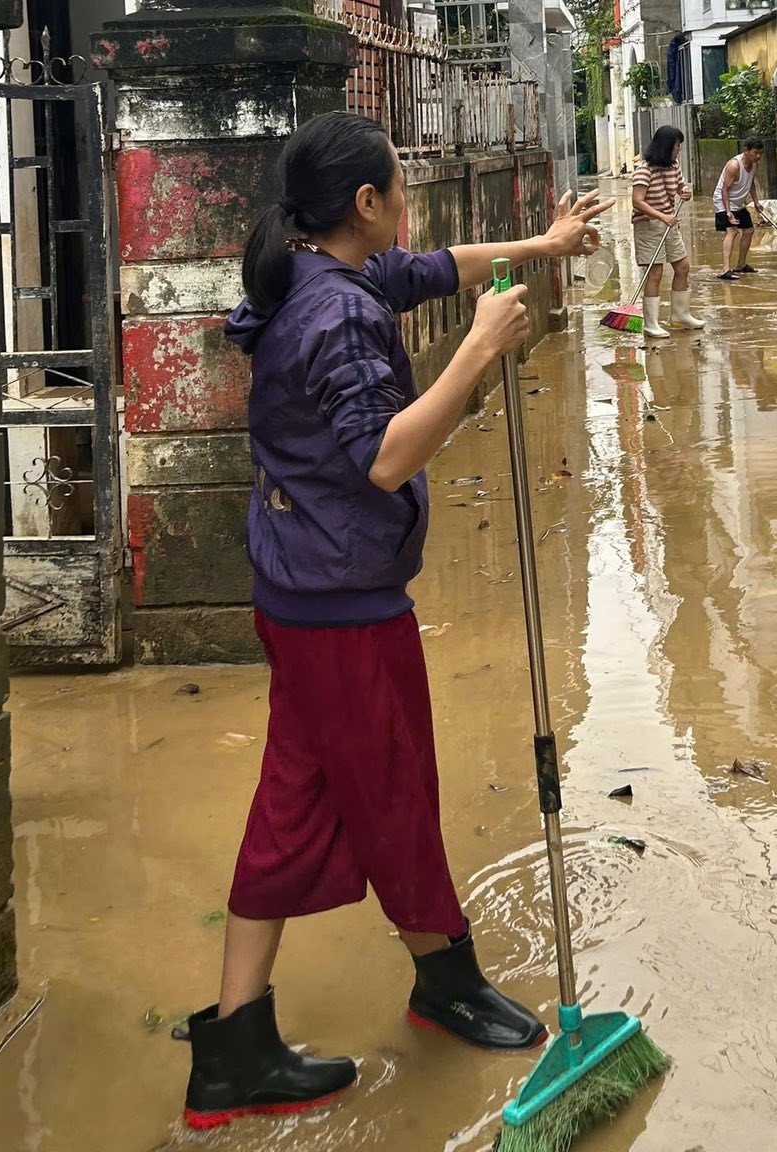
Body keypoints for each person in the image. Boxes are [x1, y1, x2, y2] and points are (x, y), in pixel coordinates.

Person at [185, 111, 611, 1131]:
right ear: (366, 202)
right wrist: (478, 351)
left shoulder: (323, 269)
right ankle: (444, 979)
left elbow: (434, 268)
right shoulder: (335, 315)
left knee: (294, 802)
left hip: (302, 590)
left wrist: (544, 246)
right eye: (399, 190)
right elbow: (385, 456)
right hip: (341, 609)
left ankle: (234, 1047)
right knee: (394, 793)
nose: (410, 208)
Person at [631, 125, 704, 339]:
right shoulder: (644, 170)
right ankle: (651, 323)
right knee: (655, 273)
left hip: (669, 223)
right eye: (676, 146)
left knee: (682, 266)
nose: (679, 150)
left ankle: (680, 315)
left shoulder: (674, 166)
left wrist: (684, 192)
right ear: (665, 147)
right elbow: (637, 201)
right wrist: (661, 216)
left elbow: (679, 187)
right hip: (648, 225)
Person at [713, 138, 764, 281]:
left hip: (738, 202)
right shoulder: (734, 165)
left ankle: (741, 264)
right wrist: (728, 212)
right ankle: (725, 269)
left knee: (749, 230)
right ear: (746, 151)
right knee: (732, 231)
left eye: (761, 153)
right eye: (755, 153)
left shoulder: (754, 164)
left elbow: (751, 183)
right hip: (723, 201)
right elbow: (724, 189)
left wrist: (756, 202)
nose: (758, 156)